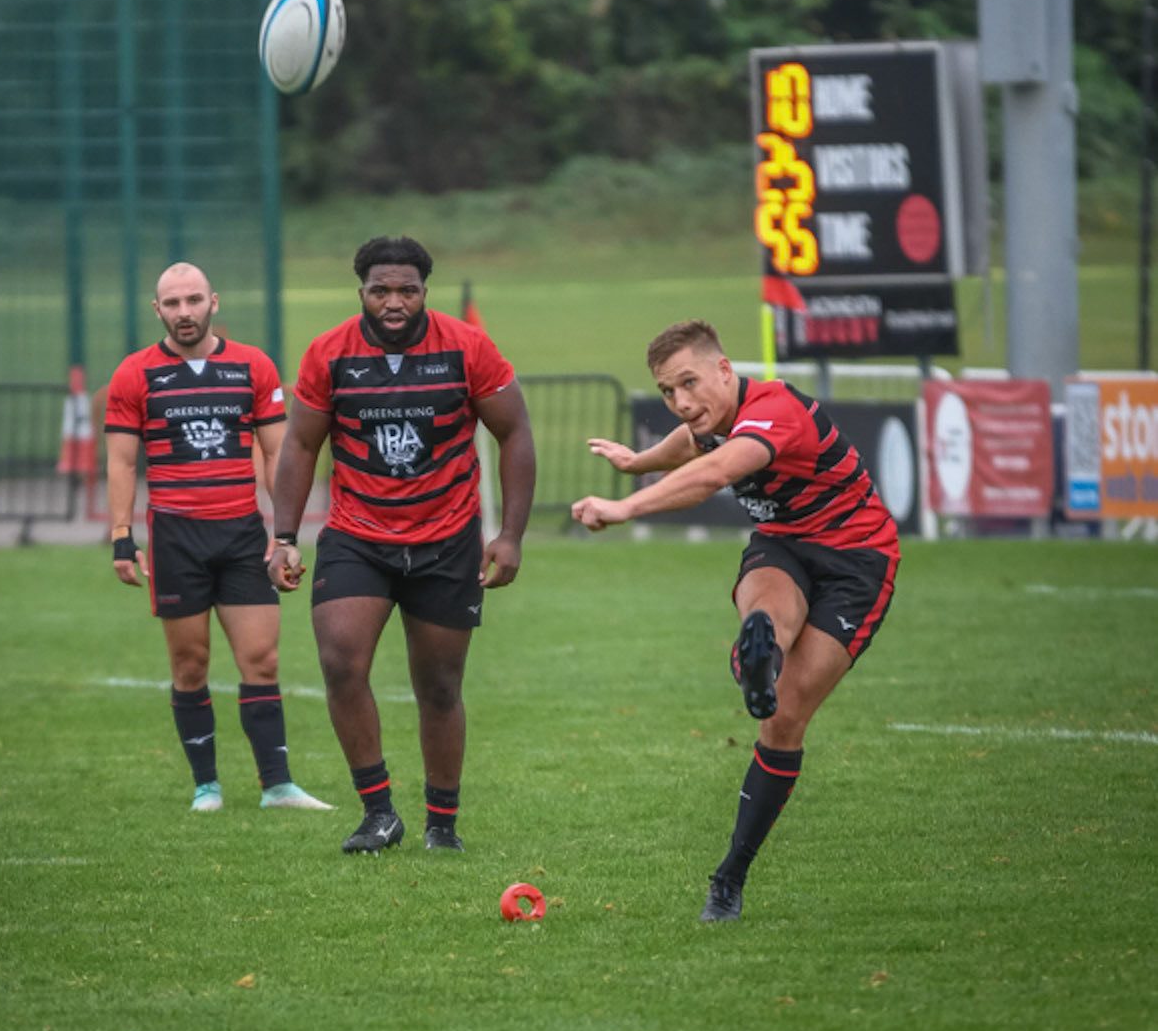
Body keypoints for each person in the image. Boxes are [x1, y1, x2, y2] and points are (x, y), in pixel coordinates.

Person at [571, 318, 899, 925]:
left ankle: (731, 872)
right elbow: (691, 445)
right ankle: (759, 656)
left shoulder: (773, 410)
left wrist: (626, 506)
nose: (682, 402)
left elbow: (714, 473)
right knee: (767, 616)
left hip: (858, 560)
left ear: (725, 369)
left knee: (788, 714)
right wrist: (635, 463)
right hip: (785, 543)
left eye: (690, 383)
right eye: (669, 392)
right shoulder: (713, 420)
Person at [269, 235, 537, 855]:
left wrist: (511, 536)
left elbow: (514, 432)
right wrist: (283, 536)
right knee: (340, 662)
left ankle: (442, 823)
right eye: (381, 290)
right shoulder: (329, 354)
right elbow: (302, 446)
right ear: (360, 290)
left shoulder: (467, 349)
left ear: (425, 292)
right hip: (357, 536)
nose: (394, 302)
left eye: (407, 290)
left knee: (440, 686)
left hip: (447, 539)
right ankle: (379, 812)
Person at [103, 261, 331, 817]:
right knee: (190, 665)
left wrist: (284, 536)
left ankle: (277, 787)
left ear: (215, 302)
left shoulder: (252, 366)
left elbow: (279, 454)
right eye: (173, 304)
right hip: (176, 537)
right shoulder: (134, 374)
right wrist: (121, 537)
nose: (185, 312)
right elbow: (122, 461)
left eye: (194, 300)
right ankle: (207, 787)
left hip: (242, 536)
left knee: (263, 659)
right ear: (157, 310)